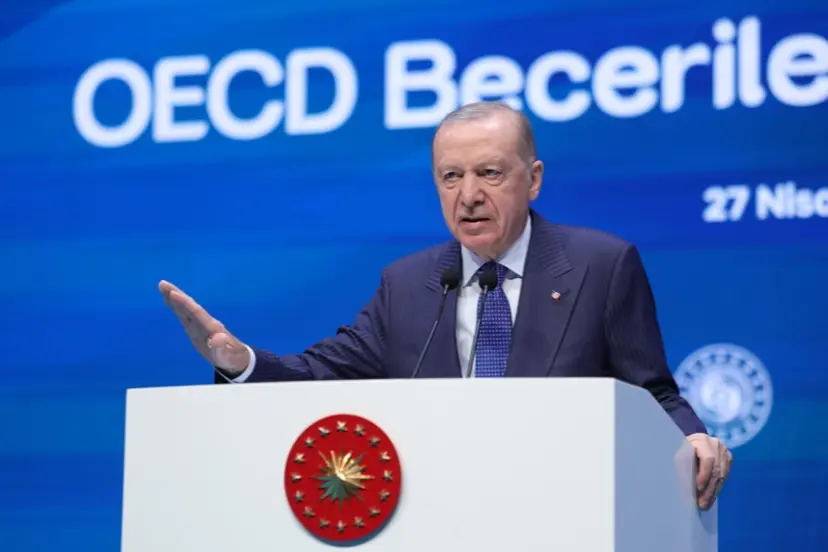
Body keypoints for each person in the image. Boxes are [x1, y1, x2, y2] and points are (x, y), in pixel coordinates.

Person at [159, 101, 732, 510]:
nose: (469, 196)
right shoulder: (407, 284)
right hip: (438, 518)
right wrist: (240, 362)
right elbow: (320, 374)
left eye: (489, 173)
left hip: (562, 512)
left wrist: (691, 438)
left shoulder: (599, 266)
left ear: (533, 180)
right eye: (450, 177)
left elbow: (652, 392)